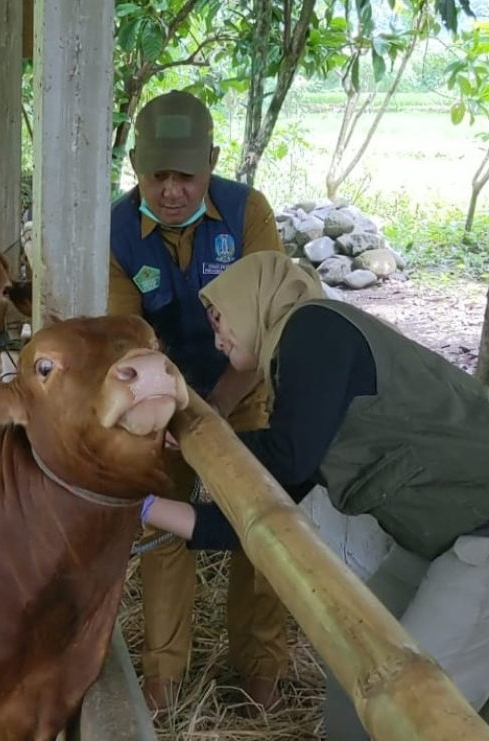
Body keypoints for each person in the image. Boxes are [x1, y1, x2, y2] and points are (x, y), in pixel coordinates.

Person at [142, 250, 489, 738]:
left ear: (252, 300)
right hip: (436, 536)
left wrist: (196, 442)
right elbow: (270, 504)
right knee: (362, 669)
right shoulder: (299, 383)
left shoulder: (315, 328)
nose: (217, 338)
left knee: (422, 707)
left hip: (481, 537)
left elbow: (287, 460)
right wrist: (144, 507)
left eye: (220, 318)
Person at [108, 89, 288, 713]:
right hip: (164, 402)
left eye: (186, 175)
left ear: (212, 161)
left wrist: (213, 403)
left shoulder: (248, 215)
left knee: (261, 524)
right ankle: (165, 677)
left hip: (244, 391)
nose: (173, 190)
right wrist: (164, 411)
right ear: (135, 165)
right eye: (158, 175)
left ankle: (260, 668)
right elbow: (127, 342)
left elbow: (268, 324)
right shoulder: (118, 232)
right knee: (164, 524)